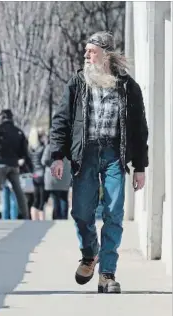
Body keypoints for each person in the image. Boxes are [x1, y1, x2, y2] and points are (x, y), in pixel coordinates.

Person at [50, 31, 149, 294]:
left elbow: (140, 129)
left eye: (91, 51)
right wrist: (57, 155)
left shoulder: (128, 87)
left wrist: (140, 167)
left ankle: (107, 273)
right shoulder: (78, 83)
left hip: (115, 155)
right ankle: (89, 252)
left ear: (105, 54)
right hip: (86, 155)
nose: (86, 55)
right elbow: (61, 120)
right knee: (82, 212)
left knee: (114, 211)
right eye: (86, 51)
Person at [0, 109, 33, 219]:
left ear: (2, 117)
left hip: (0, 164)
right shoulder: (19, 132)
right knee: (18, 191)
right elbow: (24, 152)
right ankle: (26, 215)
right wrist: (28, 166)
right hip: (14, 164)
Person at [41, 142, 71, 220]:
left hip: (53, 177)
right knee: (64, 198)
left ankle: (57, 218)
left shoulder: (50, 146)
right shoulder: (68, 146)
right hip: (65, 176)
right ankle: (64, 218)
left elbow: (44, 161)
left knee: (56, 199)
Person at [29, 128, 49, 221]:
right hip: (41, 175)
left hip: (34, 175)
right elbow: (45, 160)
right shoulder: (42, 148)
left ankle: (34, 220)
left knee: (35, 199)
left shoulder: (30, 148)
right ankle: (41, 221)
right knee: (42, 200)